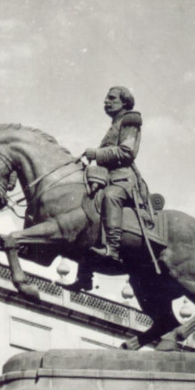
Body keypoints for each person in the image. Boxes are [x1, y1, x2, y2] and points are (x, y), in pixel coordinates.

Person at [81, 86, 142, 262]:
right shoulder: (114, 124)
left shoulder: (130, 120)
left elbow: (127, 152)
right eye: (106, 99)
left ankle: (113, 247)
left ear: (124, 102)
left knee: (111, 196)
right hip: (108, 177)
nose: (106, 102)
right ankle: (85, 274)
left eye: (112, 98)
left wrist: (97, 154)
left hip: (122, 179)